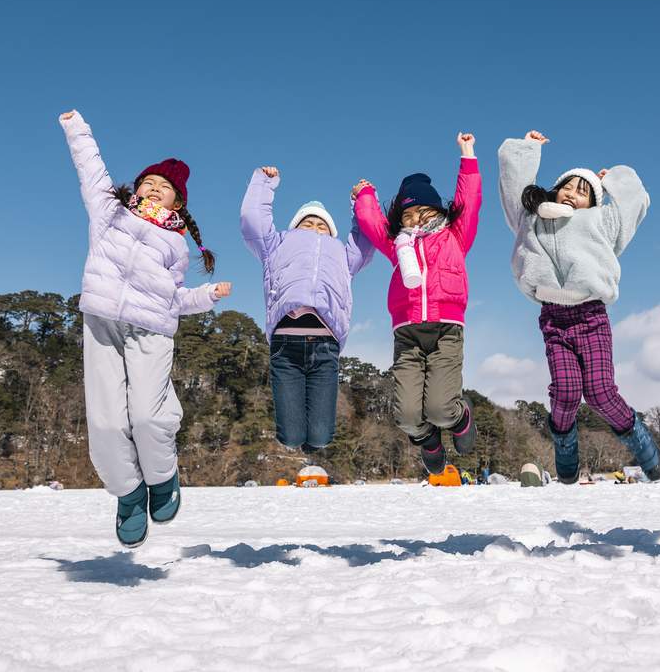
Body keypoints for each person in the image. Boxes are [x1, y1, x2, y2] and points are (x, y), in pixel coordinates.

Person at [59, 110, 230, 547]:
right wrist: (77, 129)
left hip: (151, 332)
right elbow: (91, 170)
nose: (153, 188)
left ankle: (162, 477)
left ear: (178, 203)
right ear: (135, 188)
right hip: (102, 324)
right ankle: (130, 494)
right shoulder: (109, 213)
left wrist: (205, 296)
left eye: (164, 186)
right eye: (148, 182)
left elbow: (174, 299)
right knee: (105, 423)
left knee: (150, 416)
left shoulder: (176, 245)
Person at [497, 130, 660, 484]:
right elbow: (513, 189)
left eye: (583, 191)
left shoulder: (602, 222)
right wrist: (528, 149)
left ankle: (638, 437)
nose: (572, 193)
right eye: (568, 186)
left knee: (601, 393)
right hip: (554, 318)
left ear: (593, 202)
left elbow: (634, 203)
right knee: (567, 392)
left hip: (591, 316)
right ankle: (565, 443)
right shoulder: (532, 218)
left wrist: (613, 179)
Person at [352, 133, 482, 474]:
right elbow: (371, 223)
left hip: (446, 330)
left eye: (423, 211)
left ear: (437, 210)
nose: (416, 219)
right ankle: (429, 440)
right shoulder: (397, 244)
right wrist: (365, 194)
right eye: (408, 215)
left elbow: (470, 198)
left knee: (441, 409)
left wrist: (467, 154)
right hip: (407, 334)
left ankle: (460, 418)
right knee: (408, 416)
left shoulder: (455, 234)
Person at [240, 166, 374, 454]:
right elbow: (253, 222)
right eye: (307, 223)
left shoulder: (342, 253)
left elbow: (365, 241)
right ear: (295, 227)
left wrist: (361, 200)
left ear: (331, 232)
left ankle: (313, 439)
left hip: (325, 346)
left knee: (322, 437)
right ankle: (295, 436)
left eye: (321, 225)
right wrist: (264, 183)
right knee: (290, 438)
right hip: (286, 344)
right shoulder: (278, 243)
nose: (314, 228)